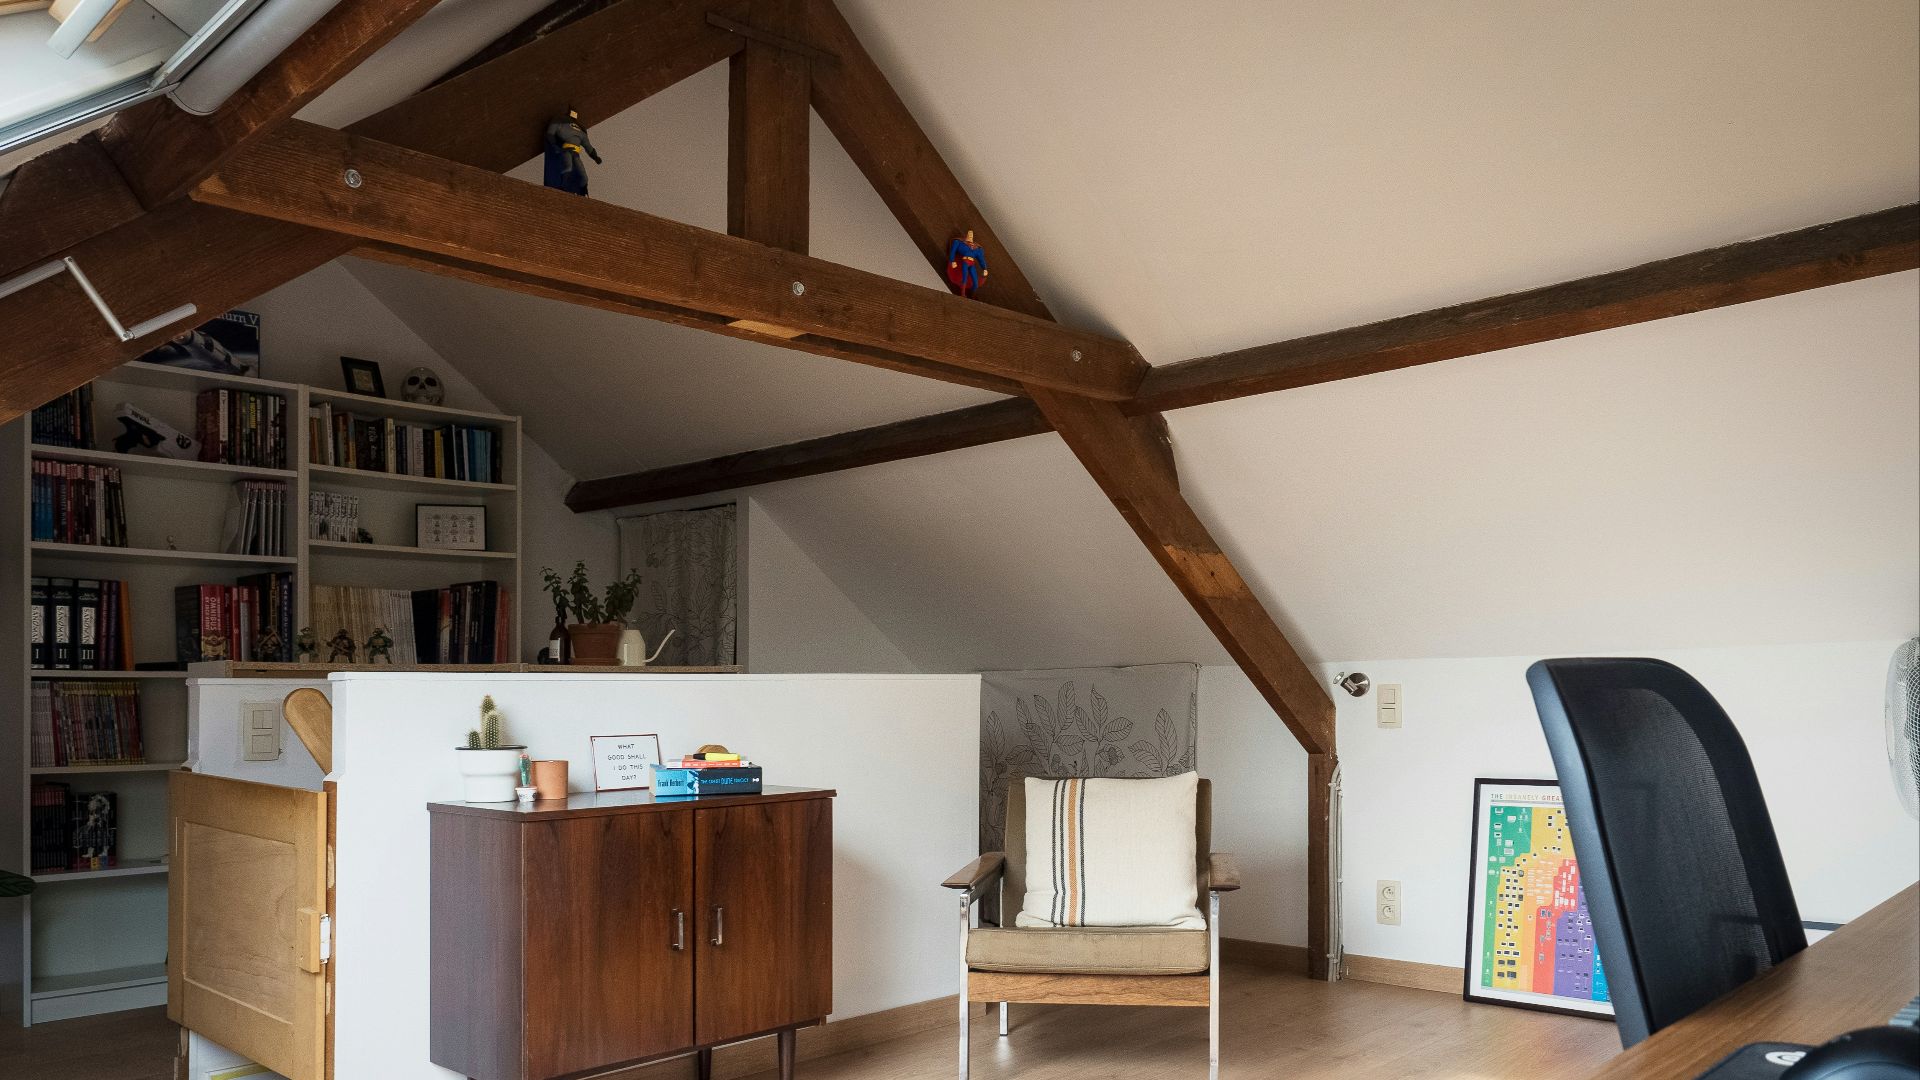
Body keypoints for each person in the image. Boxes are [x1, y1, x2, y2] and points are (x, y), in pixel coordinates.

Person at [544, 110, 603, 196]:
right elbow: (550, 134)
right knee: (568, 168)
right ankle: (563, 188)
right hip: (566, 151)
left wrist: (596, 157)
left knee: (584, 177)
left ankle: (582, 192)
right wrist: (555, 147)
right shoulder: (562, 122)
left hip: (575, 154)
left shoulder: (581, 133)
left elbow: (588, 147)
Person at [946, 230, 990, 297]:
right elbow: (953, 252)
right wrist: (952, 261)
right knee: (964, 278)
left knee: (975, 283)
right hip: (965, 262)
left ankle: (972, 294)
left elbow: (981, 260)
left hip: (971, 263)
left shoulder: (977, 248)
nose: (970, 234)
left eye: (971, 234)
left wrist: (984, 268)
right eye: (969, 233)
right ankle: (963, 294)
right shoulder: (959, 242)